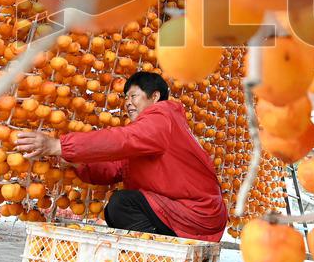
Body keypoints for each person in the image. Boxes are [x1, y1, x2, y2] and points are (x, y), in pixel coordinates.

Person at [15, 71, 228, 242]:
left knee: (121, 205)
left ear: (154, 96)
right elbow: (114, 169)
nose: (127, 103)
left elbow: (122, 139)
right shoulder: (147, 134)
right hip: (184, 209)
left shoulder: (162, 118)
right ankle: (155, 257)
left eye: (134, 96)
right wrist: (76, 160)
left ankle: (158, 258)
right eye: (126, 97)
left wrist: (59, 145)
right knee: (118, 207)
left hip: (197, 213)